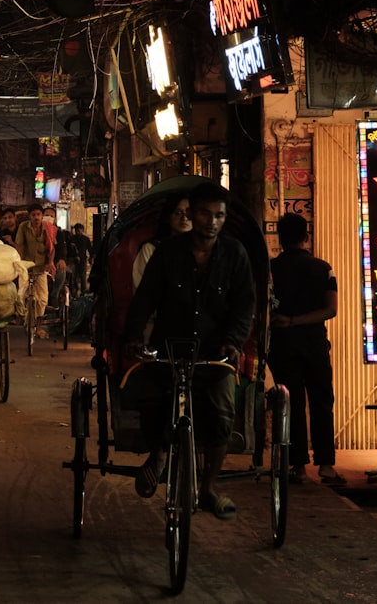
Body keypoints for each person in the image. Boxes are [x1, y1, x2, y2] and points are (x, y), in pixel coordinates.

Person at [124, 181, 254, 521]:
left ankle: (208, 487)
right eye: (205, 214)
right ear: (192, 215)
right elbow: (145, 299)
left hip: (215, 352)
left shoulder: (235, 254)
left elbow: (244, 305)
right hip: (171, 348)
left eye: (219, 216)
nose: (212, 221)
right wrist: (136, 338)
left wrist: (233, 341)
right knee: (152, 401)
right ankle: (158, 453)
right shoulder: (168, 253)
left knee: (222, 414)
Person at [267, 213, 343, 485]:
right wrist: (299, 321)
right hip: (314, 343)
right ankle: (326, 465)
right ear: (306, 237)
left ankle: (297, 466)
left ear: (280, 238)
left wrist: (286, 321)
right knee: (322, 401)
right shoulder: (323, 268)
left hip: (282, 345)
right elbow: (331, 310)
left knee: (291, 404)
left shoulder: (270, 269)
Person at [132, 196, 192, 290]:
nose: (184, 218)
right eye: (177, 213)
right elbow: (142, 289)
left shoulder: (202, 250)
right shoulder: (151, 249)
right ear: (168, 217)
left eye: (189, 213)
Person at [15, 203, 54, 339]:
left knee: (42, 299)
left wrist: (49, 264)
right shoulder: (23, 227)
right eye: (33, 215)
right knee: (22, 294)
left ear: (42, 216)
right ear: (29, 216)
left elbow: (51, 249)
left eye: (38, 214)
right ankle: (24, 317)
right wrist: (20, 263)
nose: (36, 217)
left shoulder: (47, 229)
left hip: (41, 267)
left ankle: (38, 327)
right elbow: (19, 246)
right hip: (26, 266)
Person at [69, 222, 92, 296]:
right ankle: (75, 289)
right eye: (76, 230)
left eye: (79, 230)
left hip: (82, 259)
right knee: (74, 275)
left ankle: (83, 290)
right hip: (74, 259)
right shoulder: (72, 238)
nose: (78, 231)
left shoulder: (85, 239)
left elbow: (90, 249)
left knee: (82, 275)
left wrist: (91, 257)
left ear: (82, 230)